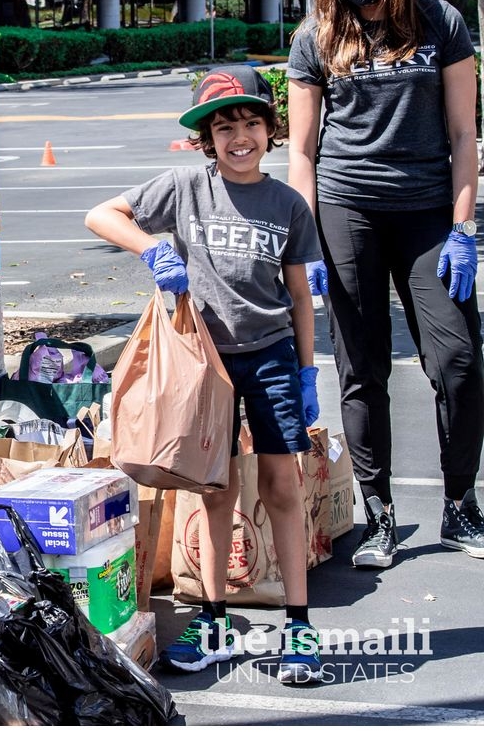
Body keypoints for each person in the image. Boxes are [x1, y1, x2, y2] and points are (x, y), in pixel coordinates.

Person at [86, 66, 324, 683]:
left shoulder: (288, 204)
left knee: (281, 486)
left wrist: (305, 370)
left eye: (251, 123)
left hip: (270, 356)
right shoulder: (185, 188)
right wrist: (152, 248)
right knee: (213, 489)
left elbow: (299, 295)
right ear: (206, 138)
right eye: (224, 127)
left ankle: (299, 626)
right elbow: (101, 215)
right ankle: (215, 618)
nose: (239, 137)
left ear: (271, 130)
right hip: (203, 364)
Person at [286, 0, 484, 568]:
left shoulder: (440, 23)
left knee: (457, 362)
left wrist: (464, 229)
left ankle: (460, 505)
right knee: (360, 370)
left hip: (429, 214)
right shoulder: (317, 37)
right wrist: (305, 240)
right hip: (348, 213)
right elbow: (304, 152)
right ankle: (381, 518)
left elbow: (463, 136)